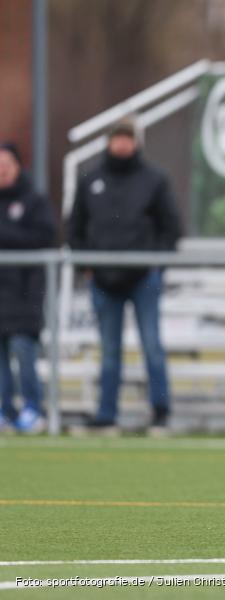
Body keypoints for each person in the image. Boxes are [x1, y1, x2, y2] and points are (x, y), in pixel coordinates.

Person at [67, 118, 182, 433]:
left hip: (144, 278)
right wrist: (86, 265)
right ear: (109, 142)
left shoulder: (154, 179)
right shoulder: (90, 178)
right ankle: (107, 414)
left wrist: (156, 263)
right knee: (109, 350)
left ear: (135, 143)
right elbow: (74, 226)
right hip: (103, 280)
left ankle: (161, 412)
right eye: (117, 138)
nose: (122, 144)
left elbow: (171, 227)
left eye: (127, 139)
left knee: (152, 346)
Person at [0, 143, 56, 434]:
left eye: (7, 163)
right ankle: (3, 411)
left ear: (18, 165)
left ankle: (33, 409)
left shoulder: (34, 202)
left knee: (24, 353)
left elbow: (45, 237)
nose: (2, 169)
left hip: (24, 293)